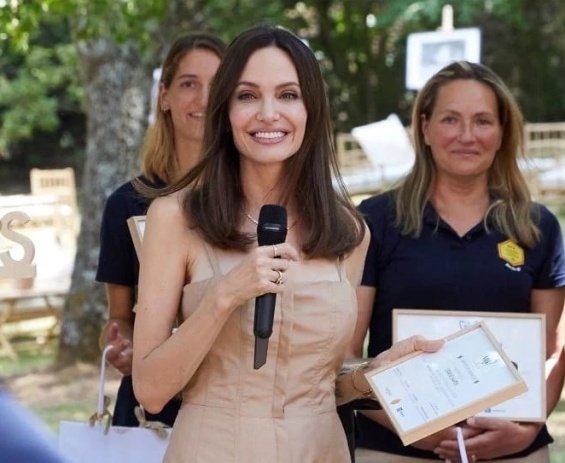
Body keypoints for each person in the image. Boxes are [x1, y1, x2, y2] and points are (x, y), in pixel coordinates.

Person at [131, 24, 443, 463]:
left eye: (288, 95)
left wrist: (374, 374)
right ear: (225, 111)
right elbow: (151, 390)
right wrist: (225, 295)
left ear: (311, 110)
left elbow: (320, 383)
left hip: (321, 449)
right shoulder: (176, 217)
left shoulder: (349, 232)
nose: (268, 113)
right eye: (247, 95)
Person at [350, 60, 565, 462]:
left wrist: (525, 431)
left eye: (483, 121)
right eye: (451, 119)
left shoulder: (538, 227)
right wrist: (413, 426)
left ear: (502, 133)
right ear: (426, 128)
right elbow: (344, 356)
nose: (467, 136)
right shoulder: (376, 221)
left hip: (513, 451)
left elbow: (552, 354)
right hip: (396, 448)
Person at [96, 32, 226, 427]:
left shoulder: (252, 198)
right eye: (189, 84)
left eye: (217, 86)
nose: (203, 98)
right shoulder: (126, 203)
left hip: (227, 402)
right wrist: (121, 347)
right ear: (165, 96)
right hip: (150, 411)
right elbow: (119, 318)